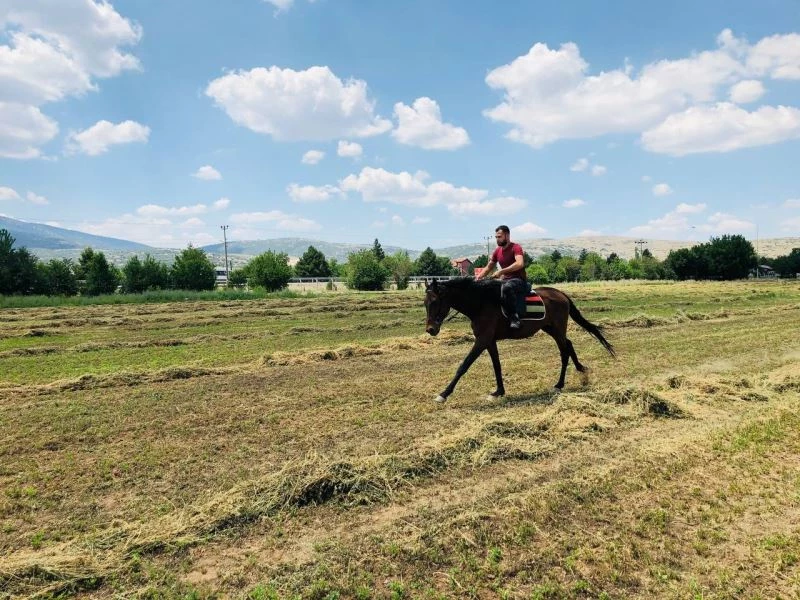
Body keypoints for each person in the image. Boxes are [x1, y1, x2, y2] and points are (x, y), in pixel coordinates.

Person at [476, 225, 526, 329]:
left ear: (507, 236)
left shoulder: (516, 247)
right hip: (504, 281)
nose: (497, 239)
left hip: (518, 281)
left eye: (499, 237)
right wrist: (478, 277)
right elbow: (488, 267)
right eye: (496, 237)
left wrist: (502, 271)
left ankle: (514, 318)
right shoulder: (497, 251)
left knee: (507, 287)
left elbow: (520, 264)